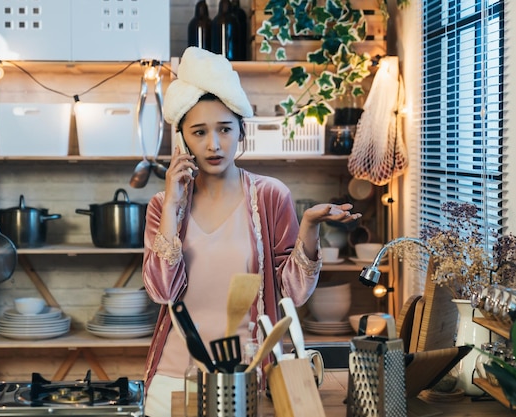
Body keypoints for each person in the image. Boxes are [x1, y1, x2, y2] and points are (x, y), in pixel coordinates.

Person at [141, 46, 361, 416]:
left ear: (242, 130)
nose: (213, 144)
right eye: (199, 132)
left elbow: (294, 293)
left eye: (225, 129)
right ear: (182, 140)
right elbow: (163, 291)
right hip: (175, 375)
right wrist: (172, 205)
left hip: (250, 376)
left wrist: (309, 226)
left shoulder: (270, 196)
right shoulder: (162, 206)